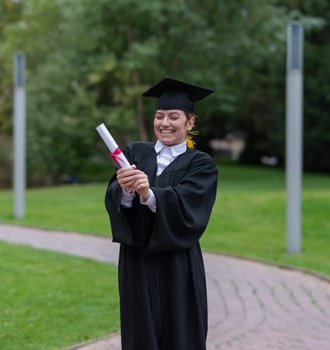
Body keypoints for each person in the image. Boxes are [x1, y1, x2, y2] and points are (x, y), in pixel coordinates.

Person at [104, 77, 218, 350]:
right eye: (159, 116)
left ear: (190, 123)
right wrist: (127, 190)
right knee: (139, 332)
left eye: (173, 116)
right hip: (137, 260)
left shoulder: (200, 164)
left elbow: (191, 207)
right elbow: (113, 198)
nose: (164, 123)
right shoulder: (134, 152)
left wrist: (150, 194)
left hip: (177, 262)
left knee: (178, 332)